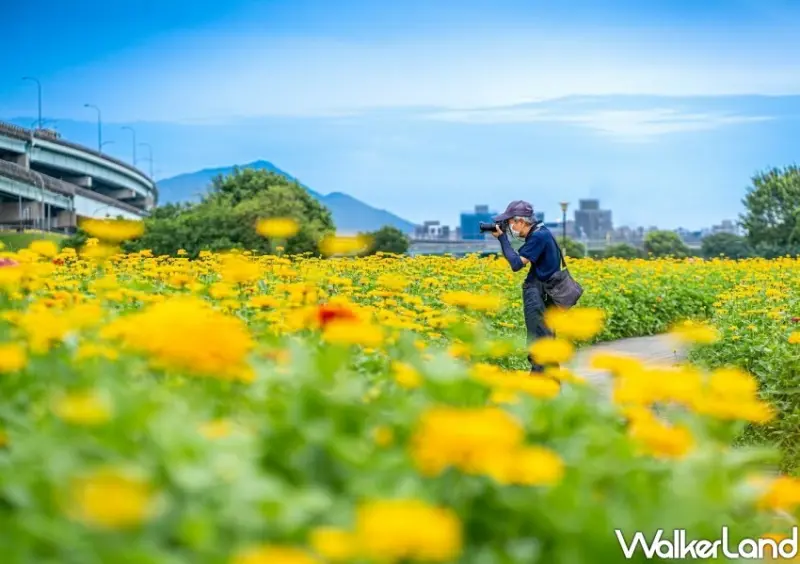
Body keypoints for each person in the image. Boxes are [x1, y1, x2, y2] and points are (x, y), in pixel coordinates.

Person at [491, 200, 562, 377]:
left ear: (521, 222)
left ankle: (537, 387)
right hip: (547, 293)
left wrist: (502, 239)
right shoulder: (543, 232)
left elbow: (516, 264)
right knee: (547, 342)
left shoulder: (538, 237)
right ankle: (552, 386)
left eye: (509, 223)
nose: (508, 228)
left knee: (538, 343)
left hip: (538, 294)